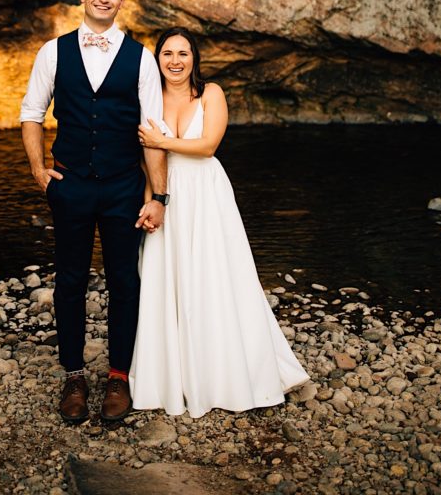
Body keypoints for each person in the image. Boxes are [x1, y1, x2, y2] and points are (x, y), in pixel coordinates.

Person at [130, 27, 310, 418]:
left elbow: (208, 145)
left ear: (194, 58)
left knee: (214, 277)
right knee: (168, 280)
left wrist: (161, 142)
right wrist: (150, 203)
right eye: (167, 54)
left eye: (183, 53)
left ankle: (227, 374)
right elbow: (146, 161)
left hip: (206, 193)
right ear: (157, 60)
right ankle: (173, 377)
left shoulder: (210, 93)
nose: (175, 61)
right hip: (165, 193)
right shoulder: (148, 98)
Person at [20, 0, 168, 424]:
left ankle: (119, 377)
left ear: (122, 1)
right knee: (70, 281)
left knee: (126, 281)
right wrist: (39, 169)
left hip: (125, 186)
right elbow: (31, 113)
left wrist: (157, 196)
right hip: (72, 186)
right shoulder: (53, 51)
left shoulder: (142, 57)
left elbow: (153, 131)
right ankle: (73, 375)